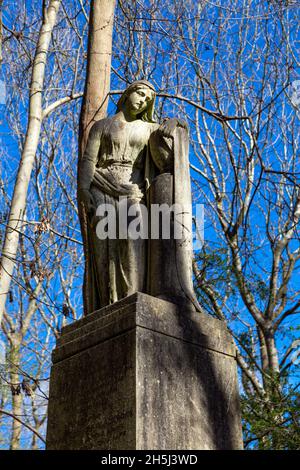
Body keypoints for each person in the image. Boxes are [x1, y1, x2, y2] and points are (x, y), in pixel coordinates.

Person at [78, 80, 200, 314]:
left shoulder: (150, 129)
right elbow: (89, 161)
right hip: (101, 185)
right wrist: (84, 190)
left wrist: (177, 123)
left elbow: (176, 138)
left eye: (148, 100)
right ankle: (107, 307)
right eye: (140, 94)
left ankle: (131, 300)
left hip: (133, 189)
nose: (143, 101)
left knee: (133, 240)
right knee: (104, 251)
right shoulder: (102, 126)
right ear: (127, 94)